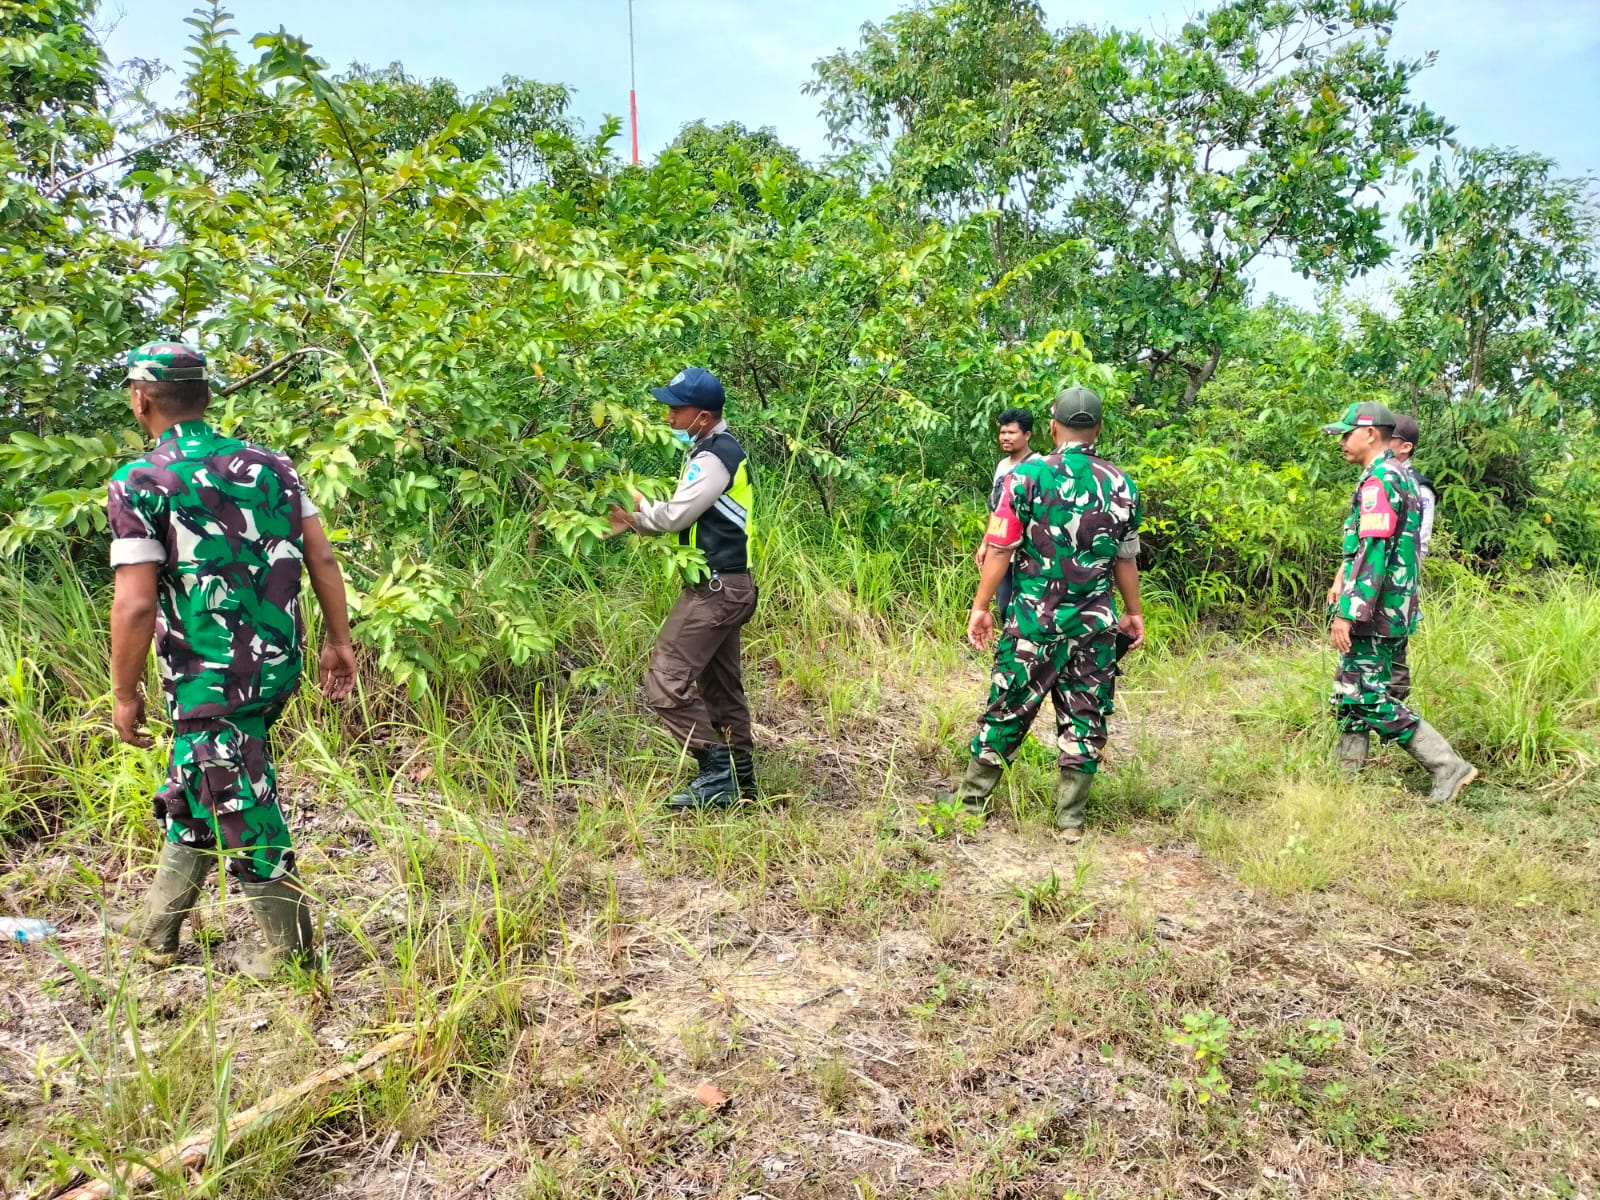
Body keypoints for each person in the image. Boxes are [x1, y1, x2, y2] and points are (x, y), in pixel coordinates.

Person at [104, 341, 358, 977]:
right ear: (208, 395)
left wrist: (124, 692)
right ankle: (158, 924)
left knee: (238, 792)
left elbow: (135, 606)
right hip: (277, 661)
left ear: (141, 398)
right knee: (203, 774)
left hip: (209, 675)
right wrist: (339, 640)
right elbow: (321, 560)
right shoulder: (274, 465)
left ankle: (291, 946)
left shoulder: (140, 483)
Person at [944, 386, 1144, 842]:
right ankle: (1070, 820)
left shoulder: (1027, 476)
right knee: (1085, 713)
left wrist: (980, 607)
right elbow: (1126, 558)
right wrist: (1133, 612)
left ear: (1052, 425)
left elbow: (999, 548)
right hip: (1094, 624)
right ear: (1098, 428)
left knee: (1009, 705)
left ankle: (970, 804)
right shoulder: (1121, 483)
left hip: (1035, 620)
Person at [608, 367, 758, 810]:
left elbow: (676, 516)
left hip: (716, 590)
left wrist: (634, 520)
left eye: (678, 408)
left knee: (664, 683)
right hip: (729, 586)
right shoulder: (711, 450)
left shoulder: (715, 456)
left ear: (705, 416)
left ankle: (717, 772)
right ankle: (741, 779)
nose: (670, 415)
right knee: (720, 688)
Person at [1322, 400, 1475, 802]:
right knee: (1349, 690)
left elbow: (1374, 554)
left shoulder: (1381, 480)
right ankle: (1345, 777)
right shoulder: (1399, 476)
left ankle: (1447, 765)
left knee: (1364, 694)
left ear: (1370, 433)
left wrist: (1348, 613)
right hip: (1392, 605)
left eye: (1346, 433)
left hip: (1376, 610)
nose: (1341, 441)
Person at [1388, 413, 1435, 701]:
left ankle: (1397, 718)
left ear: (1405, 447)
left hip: (1399, 581)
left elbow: (1421, 542)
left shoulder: (1419, 487)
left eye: (1387, 439)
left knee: (1394, 654)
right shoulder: (1379, 477)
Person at [975, 408, 1036, 621]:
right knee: (1004, 607)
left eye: (1012, 433)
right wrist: (986, 543)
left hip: (1029, 555)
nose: (1005, 438)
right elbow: (997, 508)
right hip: (1003, 552)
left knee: (1027, 610)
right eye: (1003, 433)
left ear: (1027, 435)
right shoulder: (1002, 466)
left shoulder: (1037, 466)